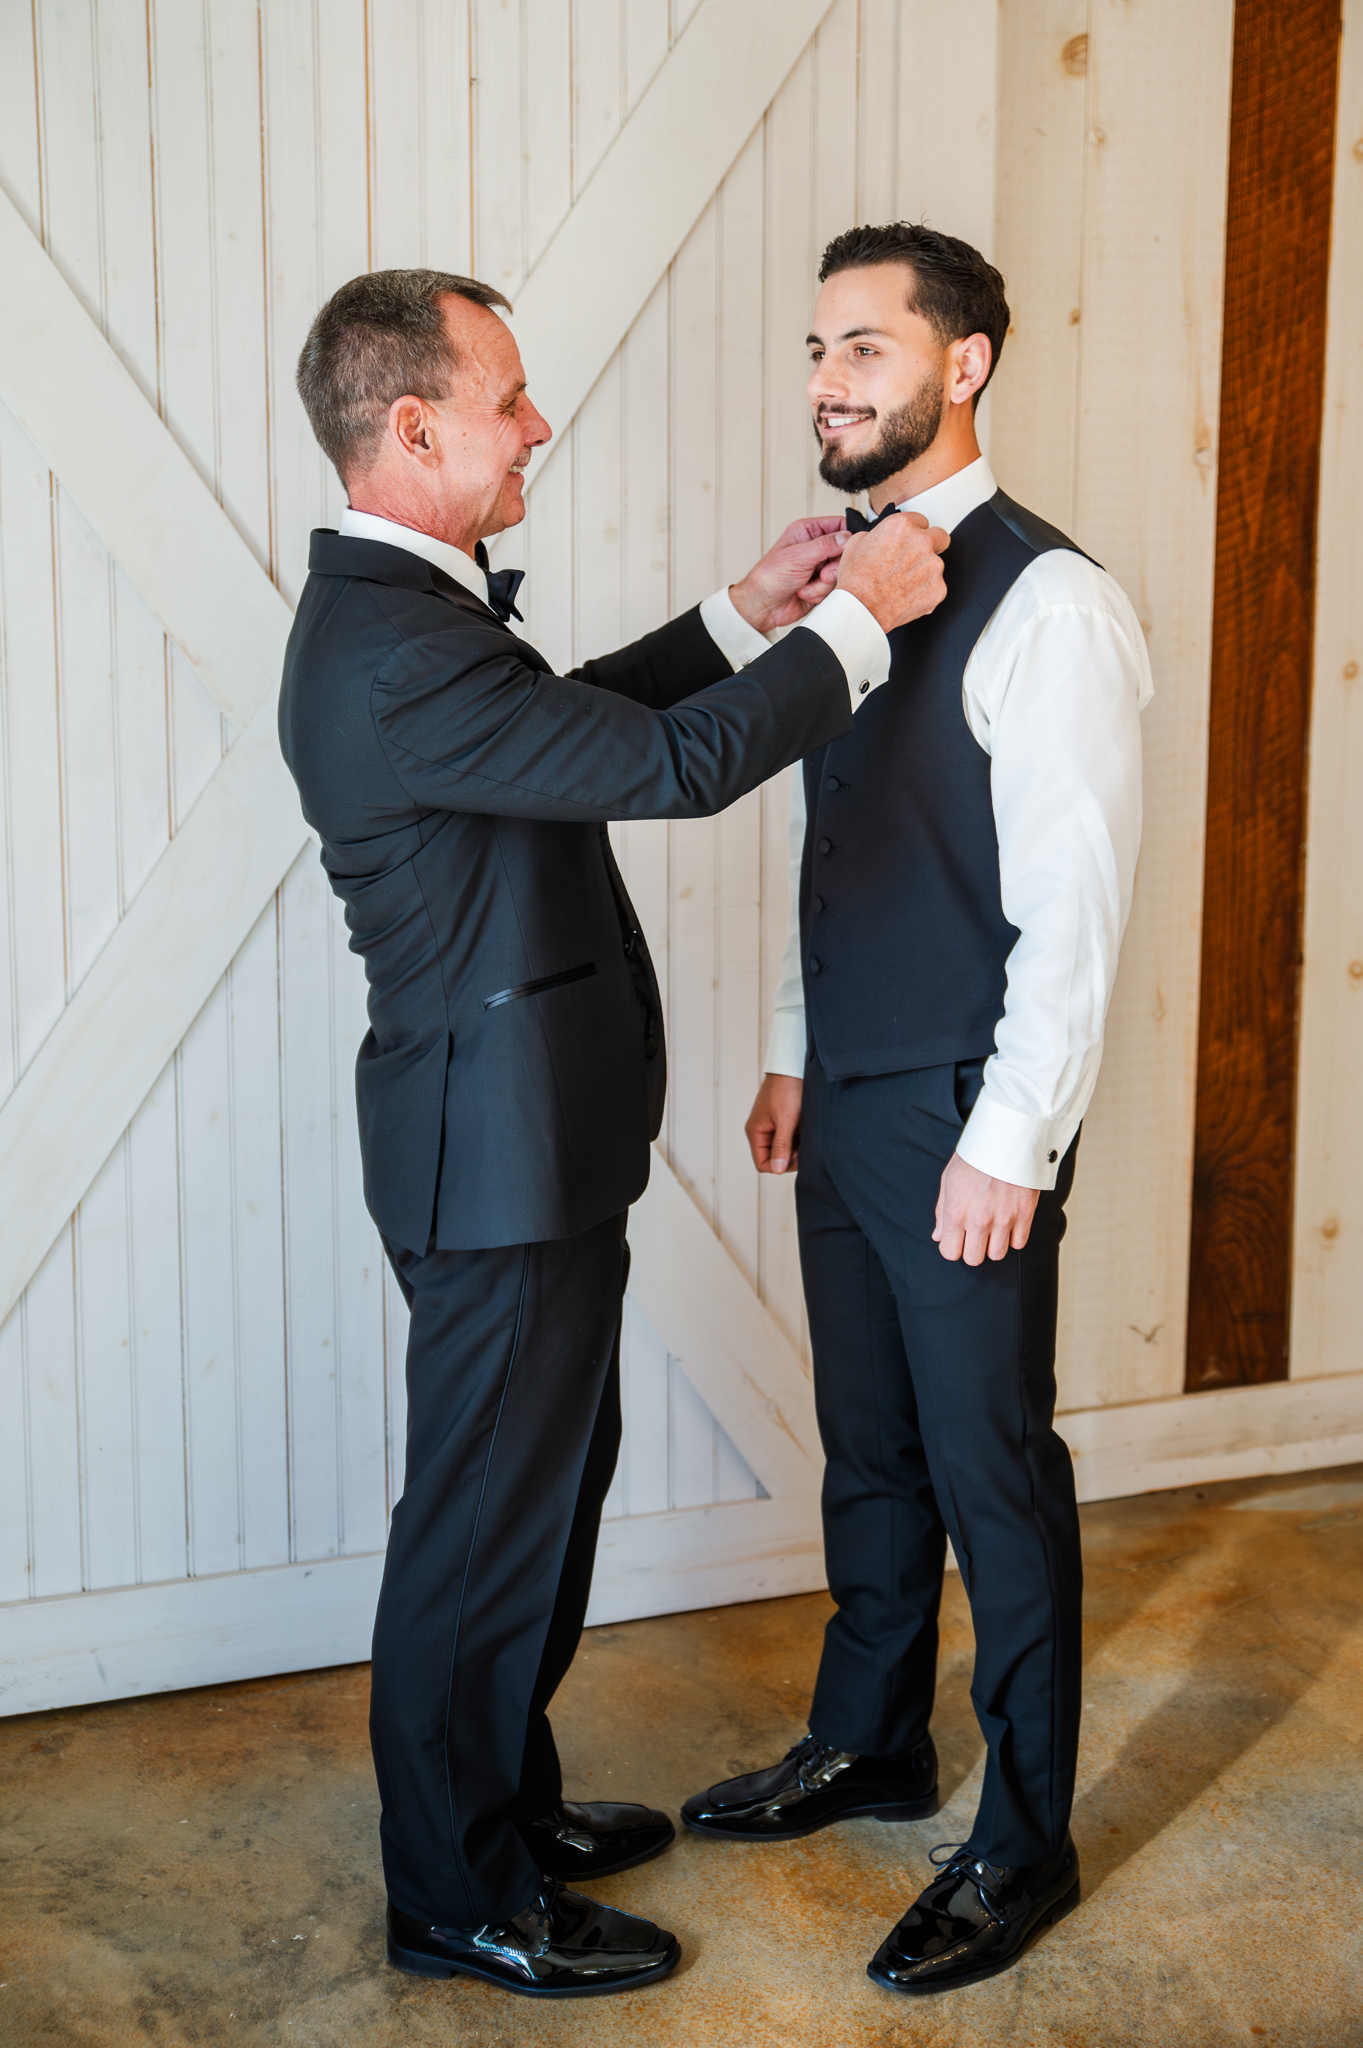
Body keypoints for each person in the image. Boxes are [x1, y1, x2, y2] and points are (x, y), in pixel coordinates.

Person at [279, 267, 948, 2000]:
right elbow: (666, 772)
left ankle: (506, 1801)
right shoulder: (382, 642)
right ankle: (458, 1895)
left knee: (542, 1503)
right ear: (414, 424)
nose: (540, 424)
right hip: (487, 1167)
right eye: (510, 399)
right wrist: (856, 622)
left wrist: (739, 616)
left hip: (532, 1152)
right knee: (479, 1537)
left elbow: (571, 725)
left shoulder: (412, 624)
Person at [681, 223, 1152, 1996]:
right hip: (854, 1094)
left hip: (966, 1111)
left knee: (992, 1472)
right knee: (870, 1452)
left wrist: (1008, 1142)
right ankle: (870, 1742)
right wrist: (800, 1045)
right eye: (817, 349)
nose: (827, 381)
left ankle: (1024, 1838)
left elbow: (1075, 914)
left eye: (867, 349)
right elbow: (844, 845)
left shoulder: (1055, 602)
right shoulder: (859, 584)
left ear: (964, 367)